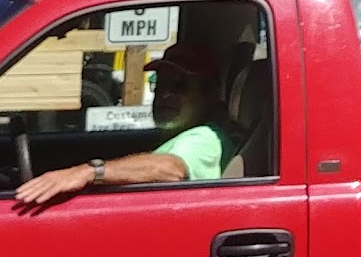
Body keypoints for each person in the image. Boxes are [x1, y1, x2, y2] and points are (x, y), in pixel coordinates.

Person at [13, 41, 237, 209]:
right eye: (160, 84)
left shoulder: (206, 138)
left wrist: (88, 172)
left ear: (210, 93)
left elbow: (172, 168)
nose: (165, 95)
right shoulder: (179, 135)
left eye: (180, 86)